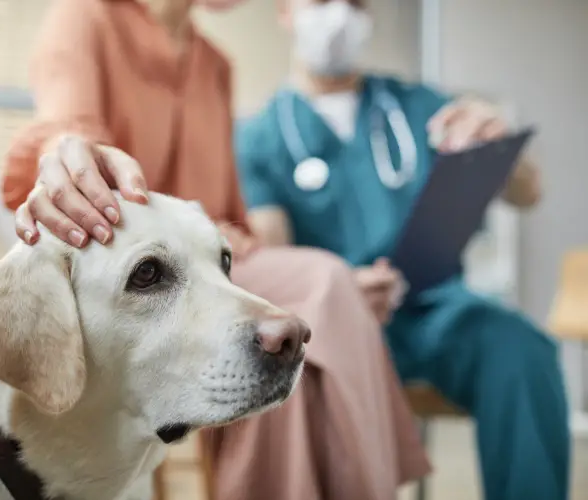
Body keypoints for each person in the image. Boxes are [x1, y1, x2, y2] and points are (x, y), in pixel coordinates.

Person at [1, 0, 432, 499]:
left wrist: (310, 280)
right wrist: (68, 153)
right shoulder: (86, 16)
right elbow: (66, 126)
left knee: (324, 292)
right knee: (321, 286)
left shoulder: (216, 65)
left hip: (215, 265)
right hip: (136, 275)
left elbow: (229, 220)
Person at [234, 1, 570, 500]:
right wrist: (343, 291)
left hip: (436, 314)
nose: (339, 17)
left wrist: (498, 142)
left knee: (521, 349)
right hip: (334, 325)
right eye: (322, 2)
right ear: (285, 11)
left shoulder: (418, 107)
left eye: (355, 3)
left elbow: (529, 193)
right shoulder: (259, 138)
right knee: (300, 387)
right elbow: (274, 251)